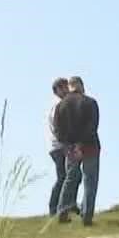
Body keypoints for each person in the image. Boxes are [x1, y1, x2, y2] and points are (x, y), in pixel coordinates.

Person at [53, 75, 101, 225]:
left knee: (70, 178)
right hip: (89, 146)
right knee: (90, 180)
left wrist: (69, 146)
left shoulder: (60, 106)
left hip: (70, 148)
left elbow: (57, 130)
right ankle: (87, 215)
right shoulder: (90, 102)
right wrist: (81, 144)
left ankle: (62, 211)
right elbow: (92, 126)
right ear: (80, 85)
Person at [45, 77, 71, 217]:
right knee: (63, 177)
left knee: (68, 176)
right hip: (59, 146)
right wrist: (65, 143)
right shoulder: (58, 105)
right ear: (58, 90)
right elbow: (57, 127)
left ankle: (67, 204)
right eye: (64, 87)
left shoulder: (61, 104)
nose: (67, 89)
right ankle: (54, 207)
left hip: (59, 145)